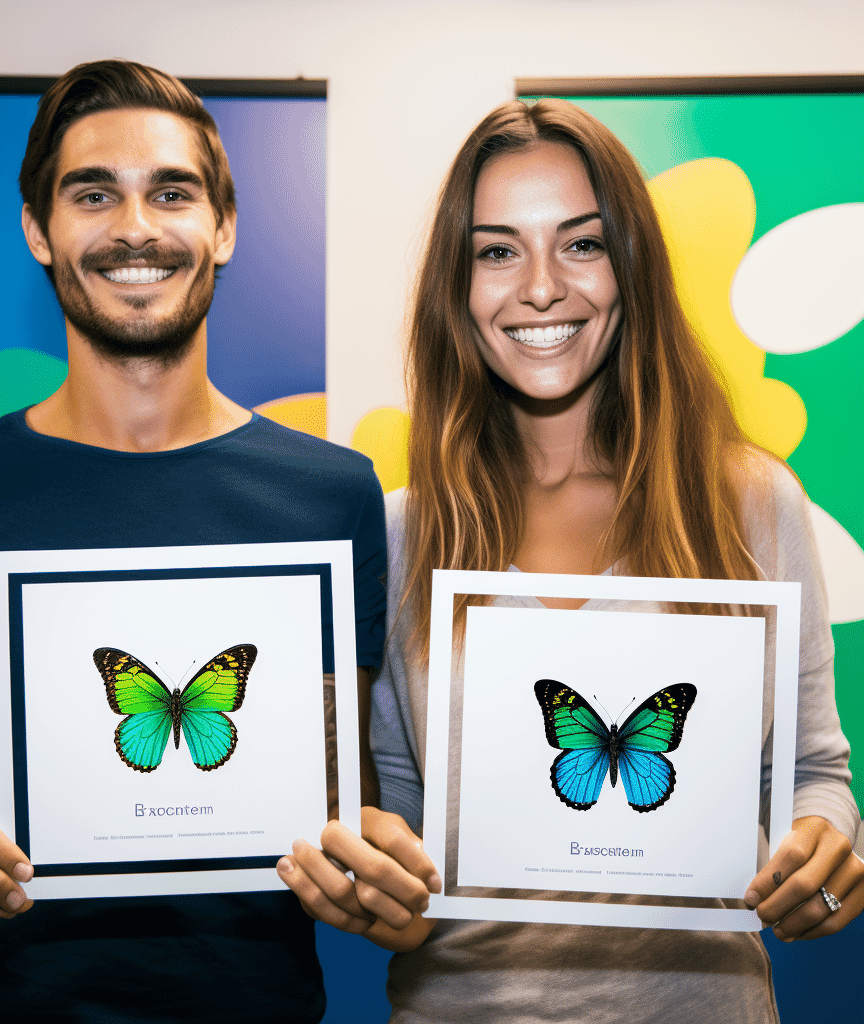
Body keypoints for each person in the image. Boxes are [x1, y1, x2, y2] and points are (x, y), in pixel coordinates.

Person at [278, 99, 864, 1021]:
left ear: (631, 268)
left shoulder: (748, 501)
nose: (542, 287)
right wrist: (376, 882)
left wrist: (824, 854)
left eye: (582, 244)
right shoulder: (400, 531)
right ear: (457, 286)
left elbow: (812, 775)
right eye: (498, 250)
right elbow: (390, 803)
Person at [0, 60, 386, 1024]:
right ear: (37, 231)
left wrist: (377, 859)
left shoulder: (333, 497)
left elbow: (356, 777)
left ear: (223, 228)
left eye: (170, 192)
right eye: (94, 194)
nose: (135, 227)